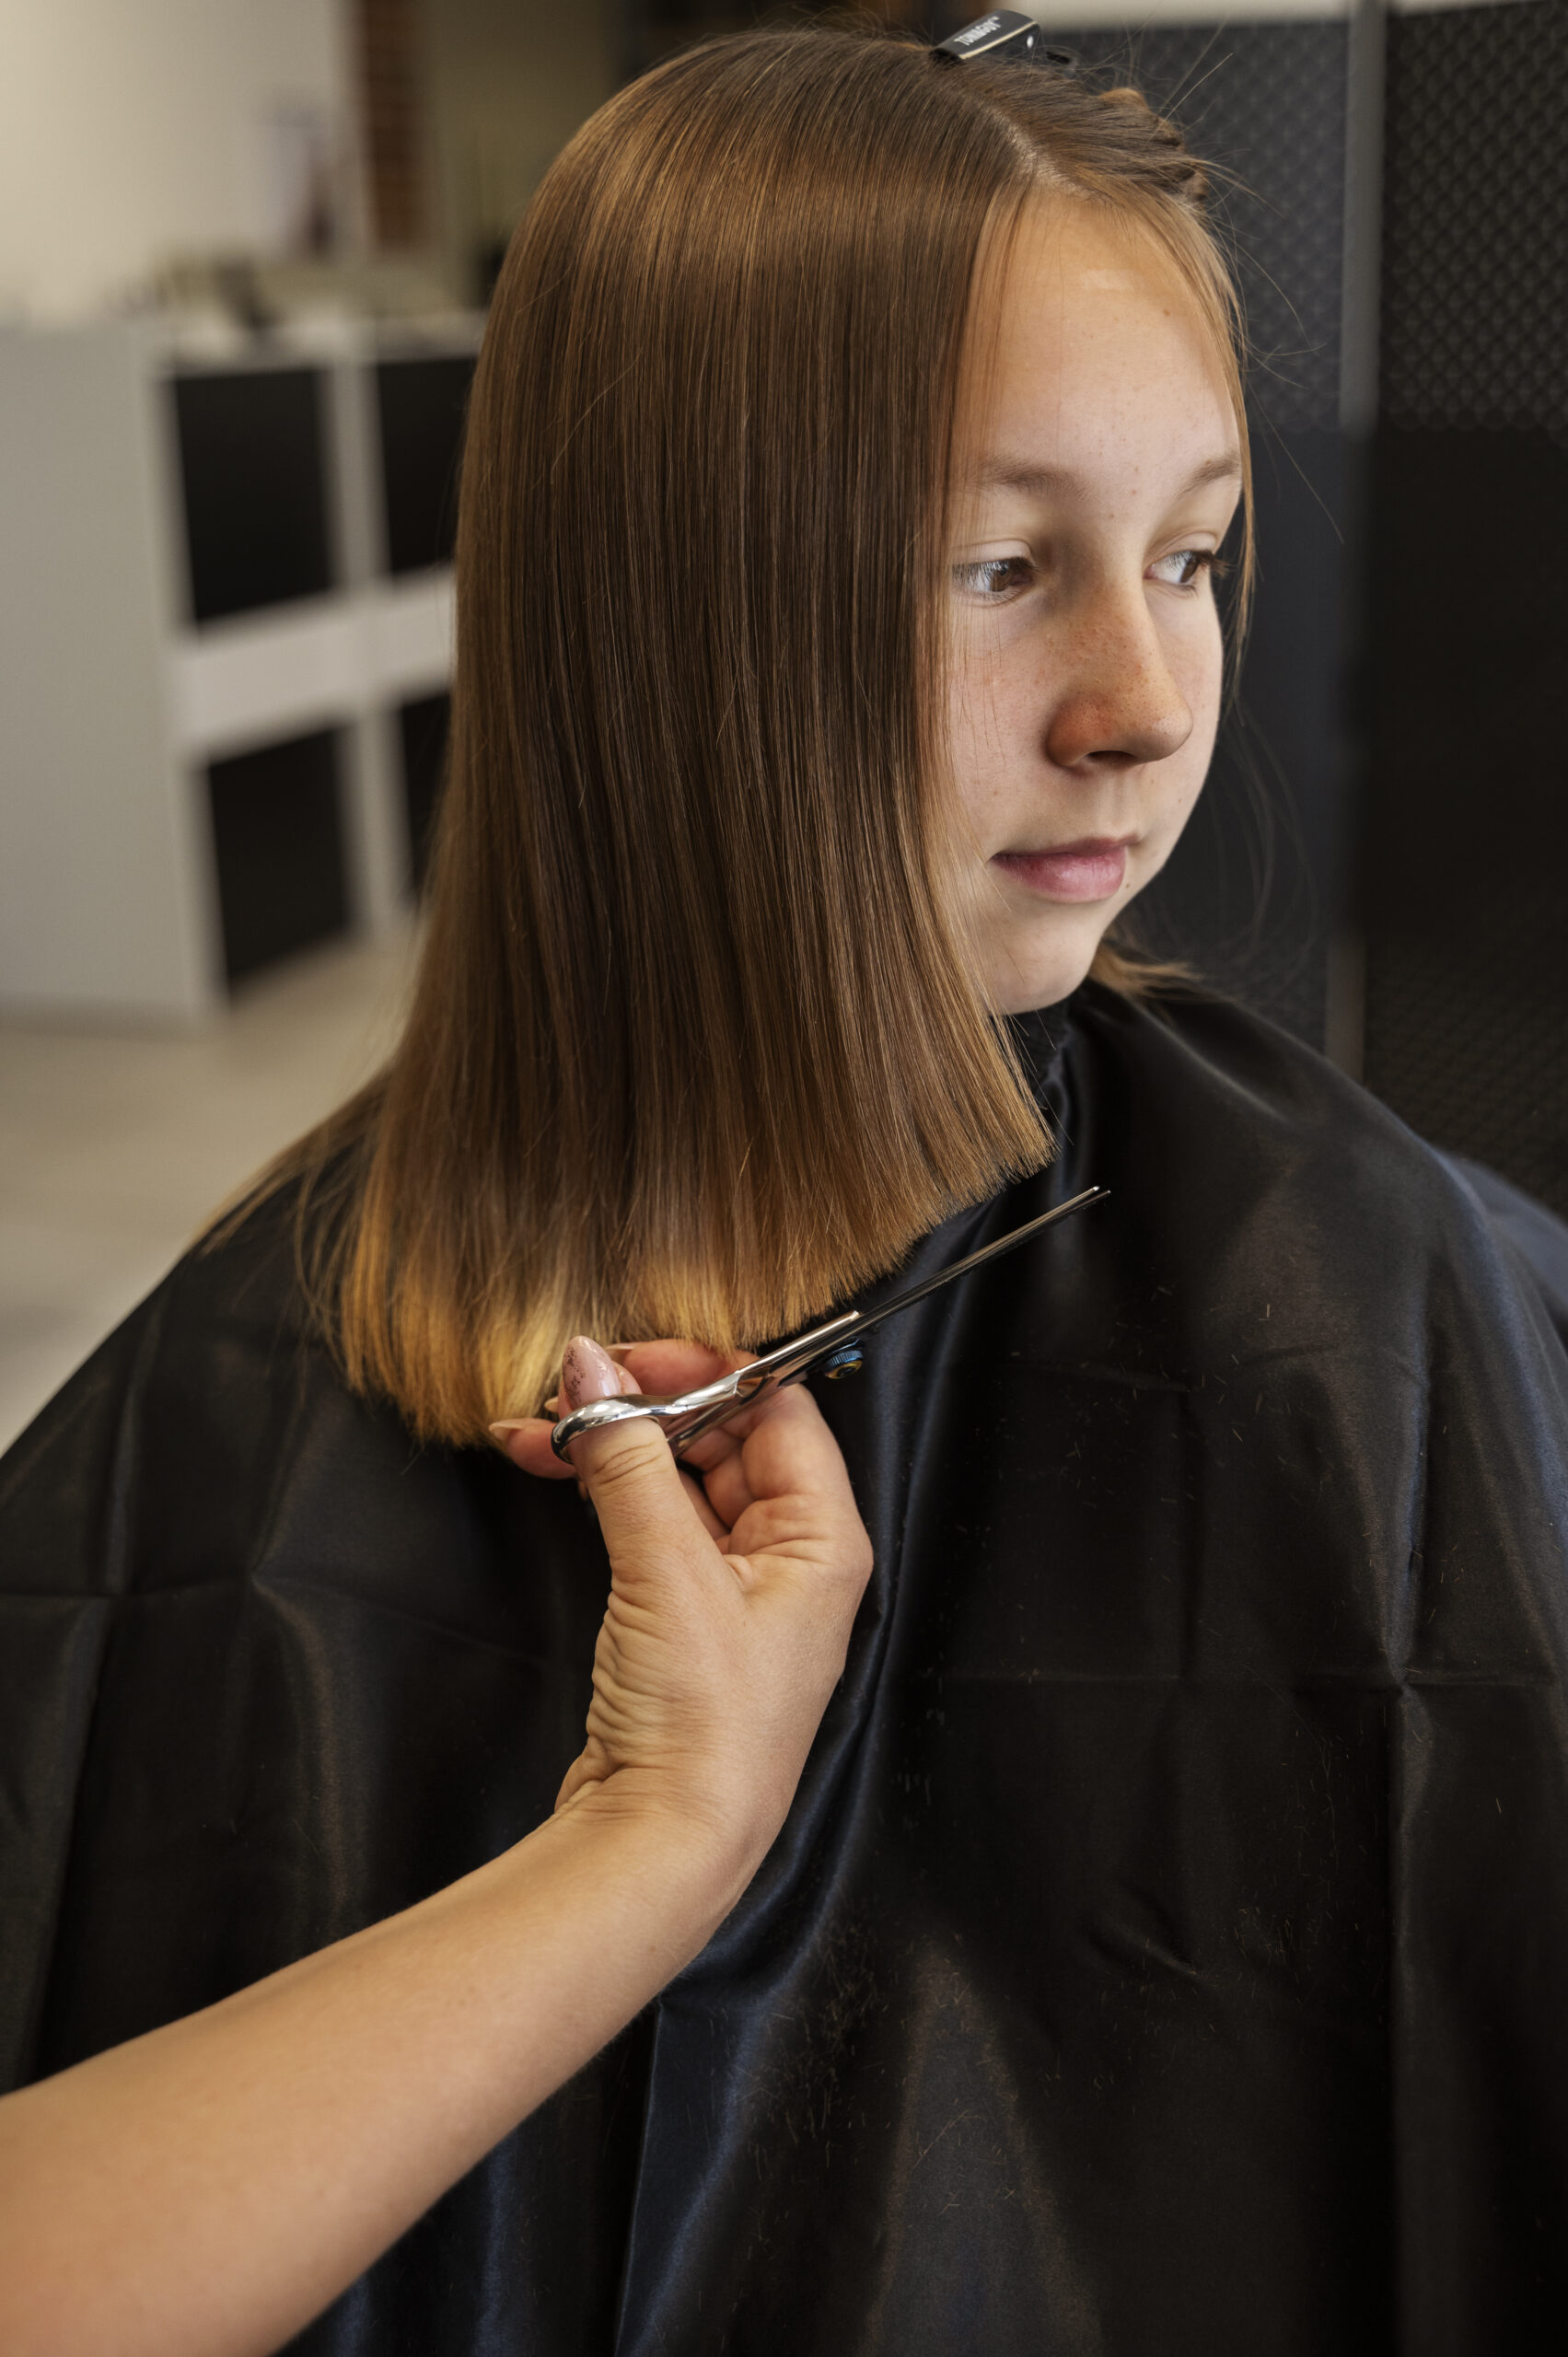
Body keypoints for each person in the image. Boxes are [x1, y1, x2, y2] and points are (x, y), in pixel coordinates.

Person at [3, 22, 1567, 2355]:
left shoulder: (1380, 1298)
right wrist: (646, 1856)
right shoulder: (202, 1436)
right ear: (668, 616)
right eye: (1002, 565)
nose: (1144, 697)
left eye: (1196, 552)